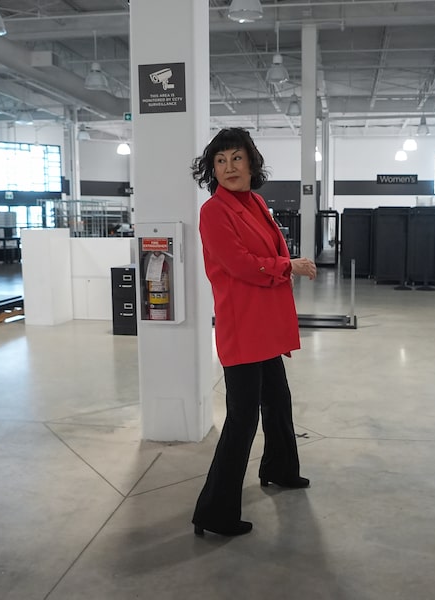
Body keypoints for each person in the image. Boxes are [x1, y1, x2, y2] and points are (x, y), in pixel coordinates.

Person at [190, 128, 317, 538]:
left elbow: (272, 249)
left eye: (236, 158)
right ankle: (213, 511)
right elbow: (241, 264)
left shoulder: (257, 202)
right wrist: (287, 267)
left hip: (266, 322)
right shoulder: (214, 212)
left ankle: (279, 469)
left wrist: (286, 261)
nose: (229, 167)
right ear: (213, 169)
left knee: (277, 401)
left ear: (251, 163)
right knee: (242, 419)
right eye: (221, 160)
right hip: (243, 324)